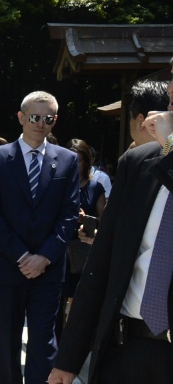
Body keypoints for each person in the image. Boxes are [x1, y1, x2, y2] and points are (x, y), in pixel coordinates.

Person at [48, 110, 173, 384]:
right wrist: (68, 360)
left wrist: (172, 148)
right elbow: (101, 265)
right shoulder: (140, 161)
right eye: (172, 98)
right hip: (126, 346)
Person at [0, 91, 80, 384]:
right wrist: (23, 256)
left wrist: (44, 257)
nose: (40, 123)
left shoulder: (68, 160)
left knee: (44, 343)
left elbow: (69, 214)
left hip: (49, 269)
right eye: (35, 117)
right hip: (10, 267)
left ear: (54, 120)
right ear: (21, 118)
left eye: (47, 118)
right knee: (7, 343)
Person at [55, 139, 107, 341]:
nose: (72, 165)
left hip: (83, 248)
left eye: (77, 161)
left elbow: (105, 220)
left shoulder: (95, 187)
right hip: (59, 247)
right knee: (57, 298)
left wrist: (86, 218)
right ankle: (59, 341)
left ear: (86, 162)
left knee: (78, 298)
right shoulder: (58, 184)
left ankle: (74, 339)